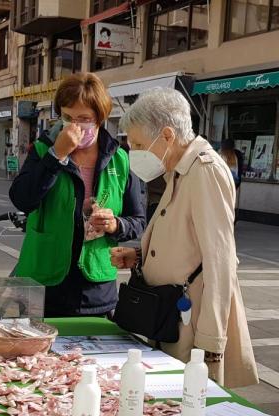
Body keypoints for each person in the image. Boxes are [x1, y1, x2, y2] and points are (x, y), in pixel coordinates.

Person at [110, 88, 258, 388]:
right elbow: (188, 239)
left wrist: (211, 342)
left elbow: (220, 259)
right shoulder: (179, 169)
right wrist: (140, 256)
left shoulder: (204, 170)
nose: (134, 152)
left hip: (191, 319)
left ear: (166, 136)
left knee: (184, 406)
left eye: (138, 144)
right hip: (169, 312)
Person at [10, 72, 146, 317]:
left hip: (95, 287)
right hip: (45, 283)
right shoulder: (43, 150)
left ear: (100, 118)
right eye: (67, 117)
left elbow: (138, 220)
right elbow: (22, 199)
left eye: (84, 118)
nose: (74, 126)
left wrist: (116, 224)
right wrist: (56, 155)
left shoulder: (120, 159)